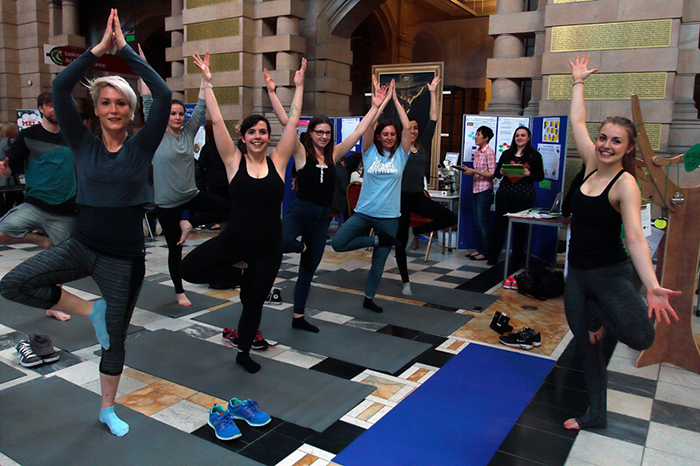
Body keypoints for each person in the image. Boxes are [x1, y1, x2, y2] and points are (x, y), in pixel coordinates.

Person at [0, 9, 171, 437]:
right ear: (95, 109)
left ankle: (107, 409)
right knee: (12, 283)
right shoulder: (81, 142)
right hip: (82, 246)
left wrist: (126, 52)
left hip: (123, 260)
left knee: (114, 341)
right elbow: (60, 85)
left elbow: (164, 95)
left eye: (121, 103)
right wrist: (97, 52)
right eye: (106, 102)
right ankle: (86, 310)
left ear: (131, 112)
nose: (114, 109)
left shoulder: (142, 145)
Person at [563, 55, 680, 430]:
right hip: (577, 275)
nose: (606, 145)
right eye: (603, 138)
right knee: (587, 346)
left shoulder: (625, 184)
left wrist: (651, 286)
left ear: (628, 148)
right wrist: (578, 82)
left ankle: (601, 316)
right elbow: (577, 122)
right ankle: (595, 414)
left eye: (616, 141)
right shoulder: (591, 164)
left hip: (610, 274)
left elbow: (635, 238)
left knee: (641, 335)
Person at [179, 52, 306, 373]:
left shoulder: (278, 161)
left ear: (268, 136)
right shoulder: (234, 162)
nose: (258, 136)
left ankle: (243, 353)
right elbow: (218, 121)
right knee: (189, 270)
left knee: (253, 304)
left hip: (267, 248)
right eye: (252, 132)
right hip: (235, 241)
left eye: (263, 131)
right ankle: (237, 272)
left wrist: (298, 87)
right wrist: (207, 84)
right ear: (244, 137)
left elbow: (293, 121)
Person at [265, 68, 389, 332]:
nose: (323, 136)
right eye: (319, 132)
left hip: (321, 218)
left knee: (307, 273)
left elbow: (359, 131)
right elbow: (287, 121)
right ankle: (301, 250)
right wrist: (275, 92)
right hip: (300, 212)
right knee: (281, 242)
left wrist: (375, 108)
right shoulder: (300, 152)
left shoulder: (334, 155)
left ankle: (298, 317)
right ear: (310, 133)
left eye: (327, 133)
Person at [139, 46, 232, 307]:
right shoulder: (156, 134)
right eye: (173, 113)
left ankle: (191, 223)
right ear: (165, 116)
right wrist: (141, 65)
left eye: (181, 113)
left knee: (230, 208)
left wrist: (205, 77)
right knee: (175, 250)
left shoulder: (189, 132)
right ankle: (179, 291)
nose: (178, 117)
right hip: (168, 204)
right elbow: (147, 100)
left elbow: (202, 107)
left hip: (191, 195)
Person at [330, 78, 410, 313]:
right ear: (378, 136)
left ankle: (369, 298)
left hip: (389, 217)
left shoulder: (401, 156)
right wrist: (379, 104)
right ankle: (377, 240)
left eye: (392, 134)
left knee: (379, 262)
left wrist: (394, 99)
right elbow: (365, 128)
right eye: (384, 134)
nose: (388, 137)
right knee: (338, 242)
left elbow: (406, 128)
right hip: (364, 213)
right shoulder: (369, 152)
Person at [0, 94, 78, 322]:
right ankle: (40, 240)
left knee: (60, 263)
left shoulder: (73, 135)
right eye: (50, 104)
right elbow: (10, 167)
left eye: (59, 103)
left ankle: (53, 305)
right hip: (35, 205)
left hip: (66, 210)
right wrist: (4, 171)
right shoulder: (28, 136)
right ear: (41, 108)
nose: (55, 108)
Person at [395, 77, 457, 296]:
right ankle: (405, 281)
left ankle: (418, 230)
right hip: (400, 199)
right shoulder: (399, 149)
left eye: (416, 128)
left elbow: (433, 119)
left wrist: (432, 92)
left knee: (450, 218)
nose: (413, 131)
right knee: (399, 244)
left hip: (418, 197)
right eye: (410, 128)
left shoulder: (422, 145)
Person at [487, 126, 544, 270]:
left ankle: (517, 259)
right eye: (517, 135)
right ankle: (493, 256)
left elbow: (540, 177)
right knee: (499, 225)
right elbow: (497, 174)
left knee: (519, 228)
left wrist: (528, 173)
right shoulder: (507, 154)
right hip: (505, 193)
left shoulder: (534, 155)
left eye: (523, 135)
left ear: (528, 137)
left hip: (524, 195)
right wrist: (501, 171)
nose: (519, 138)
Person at [461, 125, 496, 262]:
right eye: (475, 134)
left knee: (483, 222)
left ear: (486, 138)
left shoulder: (489, 153)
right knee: (477, 221)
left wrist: (474, 171)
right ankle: (479, 248)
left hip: (485, 190)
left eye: (479, 134)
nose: (475, 136)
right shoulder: (477, 152)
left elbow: (492, 174)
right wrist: (469, 170)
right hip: (476, 189)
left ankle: (485, 251)